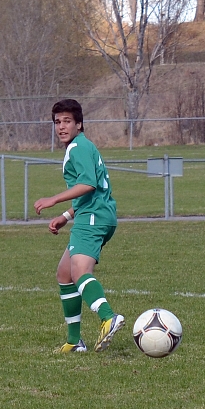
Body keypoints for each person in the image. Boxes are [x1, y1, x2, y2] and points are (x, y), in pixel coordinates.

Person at [33, 99, 126, 354]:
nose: (61, 127)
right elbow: (88, 191)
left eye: (67, 121)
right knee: (64, 273)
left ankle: (108, 317)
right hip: (95, 214)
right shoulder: (80, 147)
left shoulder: (78, 147)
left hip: (94, 217)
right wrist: (65, 215)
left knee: (79, 271)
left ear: (79, 124)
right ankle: (75, 342)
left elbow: (88, 185)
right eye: (57, 122)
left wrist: (53, 199)